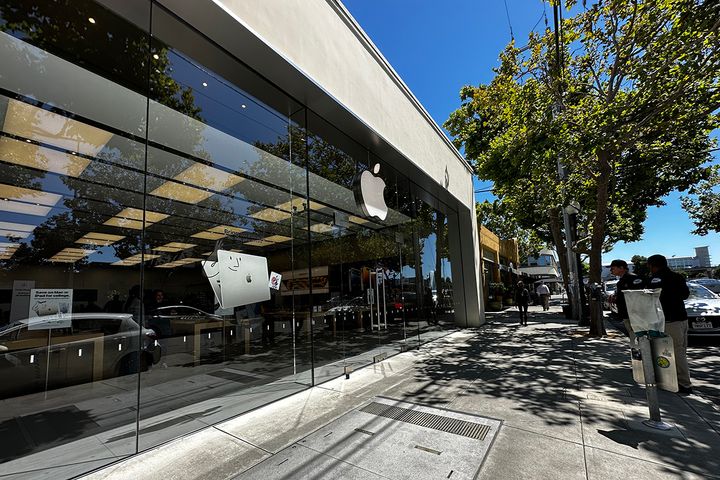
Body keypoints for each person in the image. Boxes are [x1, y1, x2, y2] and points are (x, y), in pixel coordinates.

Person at [647, 254, 693, 395]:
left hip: (667, 320)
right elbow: (685, 295)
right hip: (682, 319)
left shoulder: (656, 279)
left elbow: (649, 297)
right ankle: (679, 381)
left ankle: (683, 383)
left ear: (652, 265)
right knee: (681, 350)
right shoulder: (678, 277)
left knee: (674, 352)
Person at [609, 259, 644, 344]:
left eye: (613, 268)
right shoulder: (621, 281)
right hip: (626, 314)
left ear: (621, 268)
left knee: (639, 337)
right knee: (633, 336)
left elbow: (638, 295)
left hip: (635, 314)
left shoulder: (633, 278)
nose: (611, 271)